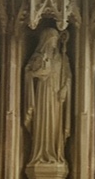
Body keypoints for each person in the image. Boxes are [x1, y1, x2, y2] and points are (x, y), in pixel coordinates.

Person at [24, 26, 71, 165]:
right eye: (52, 40)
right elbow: (28, 73)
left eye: (56, 40)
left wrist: (64, 88)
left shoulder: (62, 57)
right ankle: (41, 153)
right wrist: (36, 74)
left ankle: (55, 154)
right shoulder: (37, 57)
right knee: (42, 123)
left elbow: (68, 76)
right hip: (42, 94)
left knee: (55, 124)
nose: (54, 43)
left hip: (56, 95)